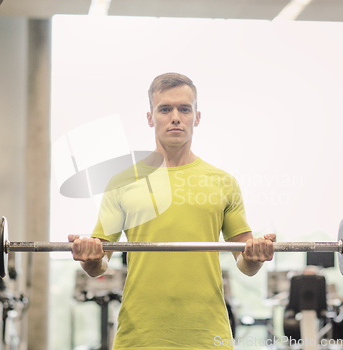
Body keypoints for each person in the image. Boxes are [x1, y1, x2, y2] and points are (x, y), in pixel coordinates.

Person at [69, 72, 275, 349]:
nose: (175, 117)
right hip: (139, 336)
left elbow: (245, 263)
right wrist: (89, 255)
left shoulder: (223, 182)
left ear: (197, 117)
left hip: (207, 335)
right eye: (165, 109)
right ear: (150, 118)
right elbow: (98, 264)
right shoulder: (122, 182)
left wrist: (257, 254)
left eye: (184, 109)